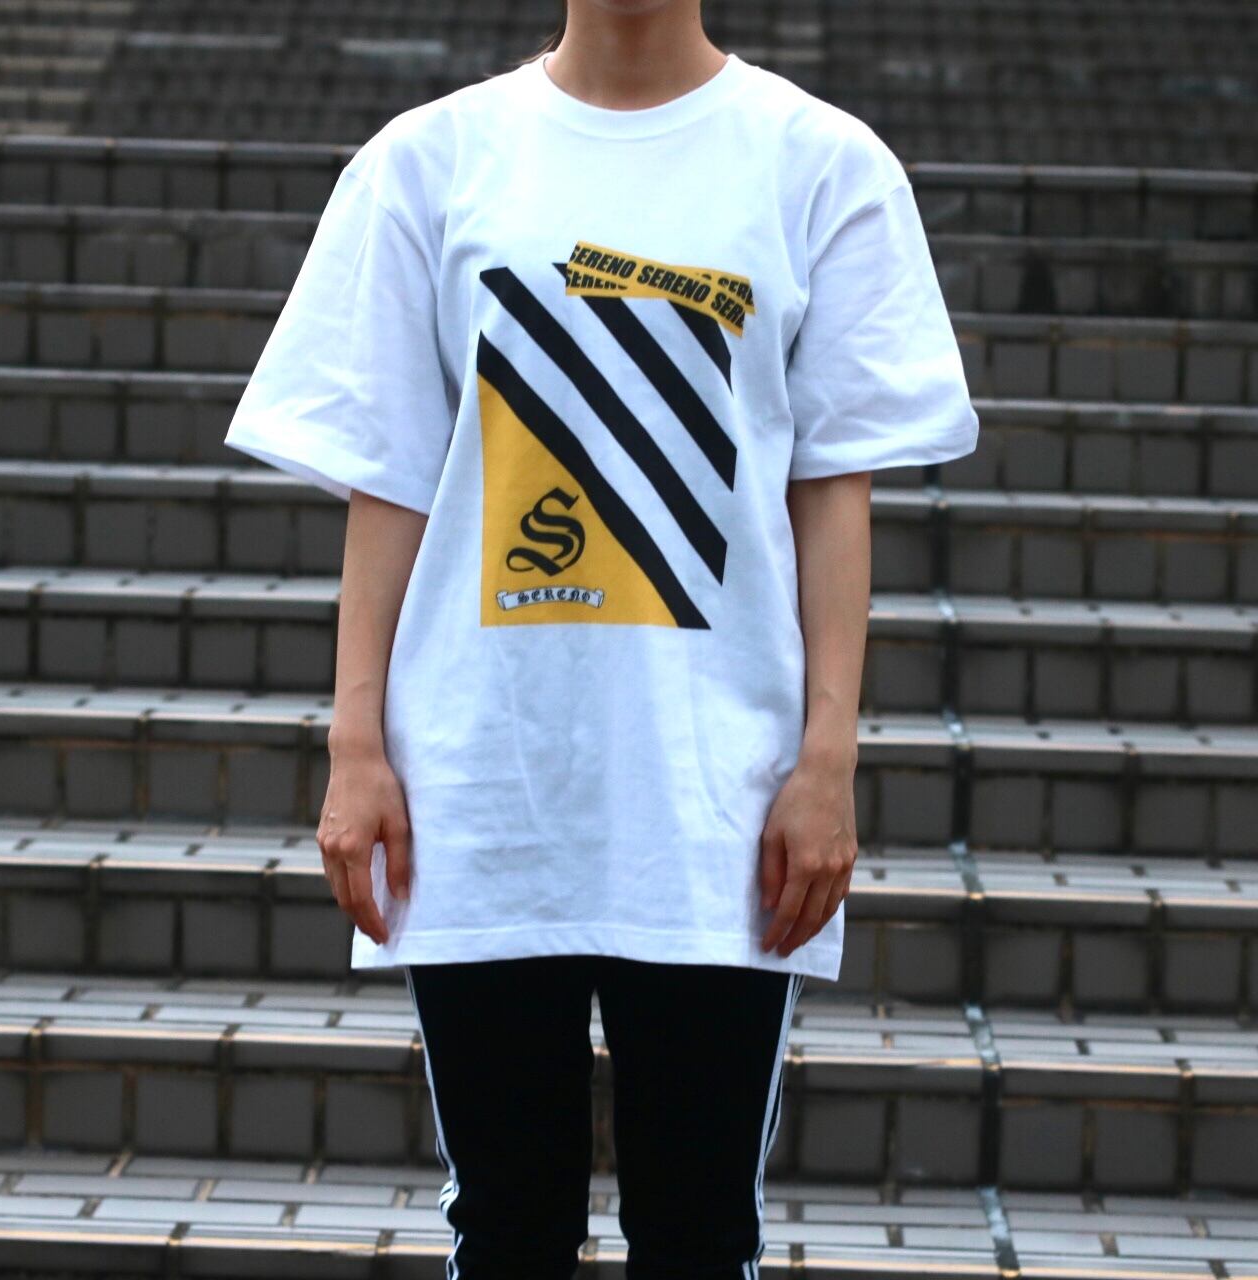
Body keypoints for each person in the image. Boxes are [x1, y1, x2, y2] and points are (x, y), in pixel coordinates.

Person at [222, 0, 979, 1274]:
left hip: (716, 798)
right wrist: (355, 744)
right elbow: (389, 477)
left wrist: (825, 759)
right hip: (481, 787)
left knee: (697, 1232)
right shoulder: (428, 160)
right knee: (504, 1225)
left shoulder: (820, 163)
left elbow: (830, 487)